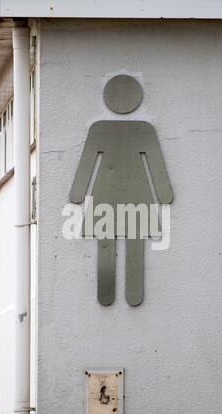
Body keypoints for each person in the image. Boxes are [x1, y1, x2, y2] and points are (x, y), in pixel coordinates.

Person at [70, 75, 173, 307]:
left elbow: (86, 165)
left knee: (108, 241)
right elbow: (156, 166)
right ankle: (129, 293)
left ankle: (114, 294)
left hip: (106, 195)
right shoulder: (142, 129)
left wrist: (78, 194)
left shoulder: (101, 128)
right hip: (137, 194)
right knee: (133, 241)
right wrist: (164, 194)